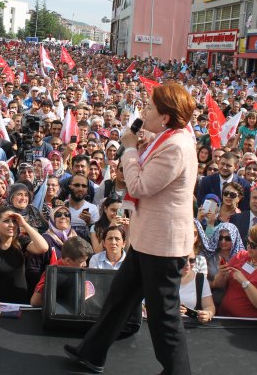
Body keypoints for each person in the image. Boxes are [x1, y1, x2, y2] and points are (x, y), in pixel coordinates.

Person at [65, 83, 197, 374]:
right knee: (120, 297)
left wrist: (128, 149)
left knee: (165, 316)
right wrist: (140, 140)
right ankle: (93, 352)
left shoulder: (176, 146)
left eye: (149, 107)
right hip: (146, 239)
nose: (143, 111)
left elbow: (139, 185)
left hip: (163, 245)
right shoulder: (172, 135)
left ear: (165, 117)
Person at [0, 206, 49, 305]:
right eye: (6, 221)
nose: (12, 225)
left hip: (21, 303)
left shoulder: (21, 242)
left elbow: (43, 248)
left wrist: (24, 224)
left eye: (14, 221)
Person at [30, 236, 93, 307]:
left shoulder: (78, 269)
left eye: (86, 260)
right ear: (68, 261)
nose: (85, 264)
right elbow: (35, 301)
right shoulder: (52, 273)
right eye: (82, 261)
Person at [178, 252, 215, 324]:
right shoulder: (163, 278)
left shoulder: (200, 278)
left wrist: (207, 314)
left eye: (192, 260)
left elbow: (209, 306)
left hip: (192, 327)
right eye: (183, 260)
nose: (188, 264)